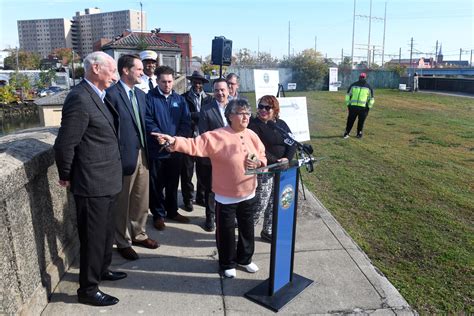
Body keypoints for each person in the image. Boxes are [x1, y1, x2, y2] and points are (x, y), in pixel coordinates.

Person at [152, 99, 267, 279]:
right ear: (230, 116)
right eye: (241, 113)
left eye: (247, 113)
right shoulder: (217, 135)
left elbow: (261, 154)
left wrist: (259, 162)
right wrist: (173, 141)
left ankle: (245, 259)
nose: (245, 117)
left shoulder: (252, 134)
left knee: (247, 228)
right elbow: (194, 144)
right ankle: (227, 262)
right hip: (226, 195)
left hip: (249, 191)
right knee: (226, 231)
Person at [53, 51, 126, 306]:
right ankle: (88, 289)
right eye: (112, 70)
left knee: (105, 234)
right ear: (96, 68)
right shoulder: (80, 98)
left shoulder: (99, 96)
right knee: (93, 237)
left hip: (107, 179)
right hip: (92, 182)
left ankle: (102, 269)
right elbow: (65, 144)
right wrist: (66, 174)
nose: (115, 76)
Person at [105, 54, 159, 261]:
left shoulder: (141, 95)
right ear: (126, 71)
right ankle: (123, 241)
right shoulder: (112, 94)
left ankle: (139, 233)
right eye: (138, 69)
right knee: (123, 202)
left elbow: (145, 122)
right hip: (123, 157)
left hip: (143, 153)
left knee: (141, 198)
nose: (142, 72)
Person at [145, 65, 192, 231]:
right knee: (156, 185)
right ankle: (158, 215)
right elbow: (148, 120)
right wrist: (162, 139)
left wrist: (175, 141)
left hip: (175, 150)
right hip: (157, 150)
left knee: (173, 183)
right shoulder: (149, 98)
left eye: (170, 81)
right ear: (157, 81)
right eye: (163, 81)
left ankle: (172, 211)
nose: (167, 84)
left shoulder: (180, 100)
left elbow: (186, 123)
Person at [248, 95, 297, 242]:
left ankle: (267, 230)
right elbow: (256, 150)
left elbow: (292, 143)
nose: (263, 110)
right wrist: (276, 161)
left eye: (267, 107)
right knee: (261, 203)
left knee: (274, 202)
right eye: (261, 107)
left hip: (282, 169)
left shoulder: (281, 124)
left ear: (275, 109)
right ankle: (248, 231)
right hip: (265, 169)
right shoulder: (254, 125)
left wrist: (287, 158)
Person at [198, 78, 230, 231]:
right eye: (217, 90)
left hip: (232, 158)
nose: (220, 93)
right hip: (214, 157)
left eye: (222, 89)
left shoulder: (236, 107)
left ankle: (227, 216)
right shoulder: (206, 109)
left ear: (228, 90)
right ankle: (210, 217)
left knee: (229, 187)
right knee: (211, 189)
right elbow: (205, 135)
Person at [180, 71, 212, 211]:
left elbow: (211, 117)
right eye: (195, 82)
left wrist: (196, 116)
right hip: (189, 139)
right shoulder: (183, 98)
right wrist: (199, 115)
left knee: (203, 172)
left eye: (200, 82)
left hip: (204, 141)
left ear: (203, 84)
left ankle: (201, 196)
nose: (197, 85)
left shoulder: (209, 100)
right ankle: (188, 199)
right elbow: (184, 116)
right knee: (187, 172)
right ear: (191, 82)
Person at [343, 72, 374, 139]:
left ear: (365, 78)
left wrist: (369, 107)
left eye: (363, 77)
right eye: (361, 77)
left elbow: (371, 98)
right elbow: (348, 95)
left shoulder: (368, 87)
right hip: (353, 107)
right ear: (359, 77)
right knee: (350, 121)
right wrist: (348, 104)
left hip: (363, 109)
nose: (362, 78)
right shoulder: (353, 85)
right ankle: (346, 133)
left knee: (361, 122)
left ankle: (359, 133)